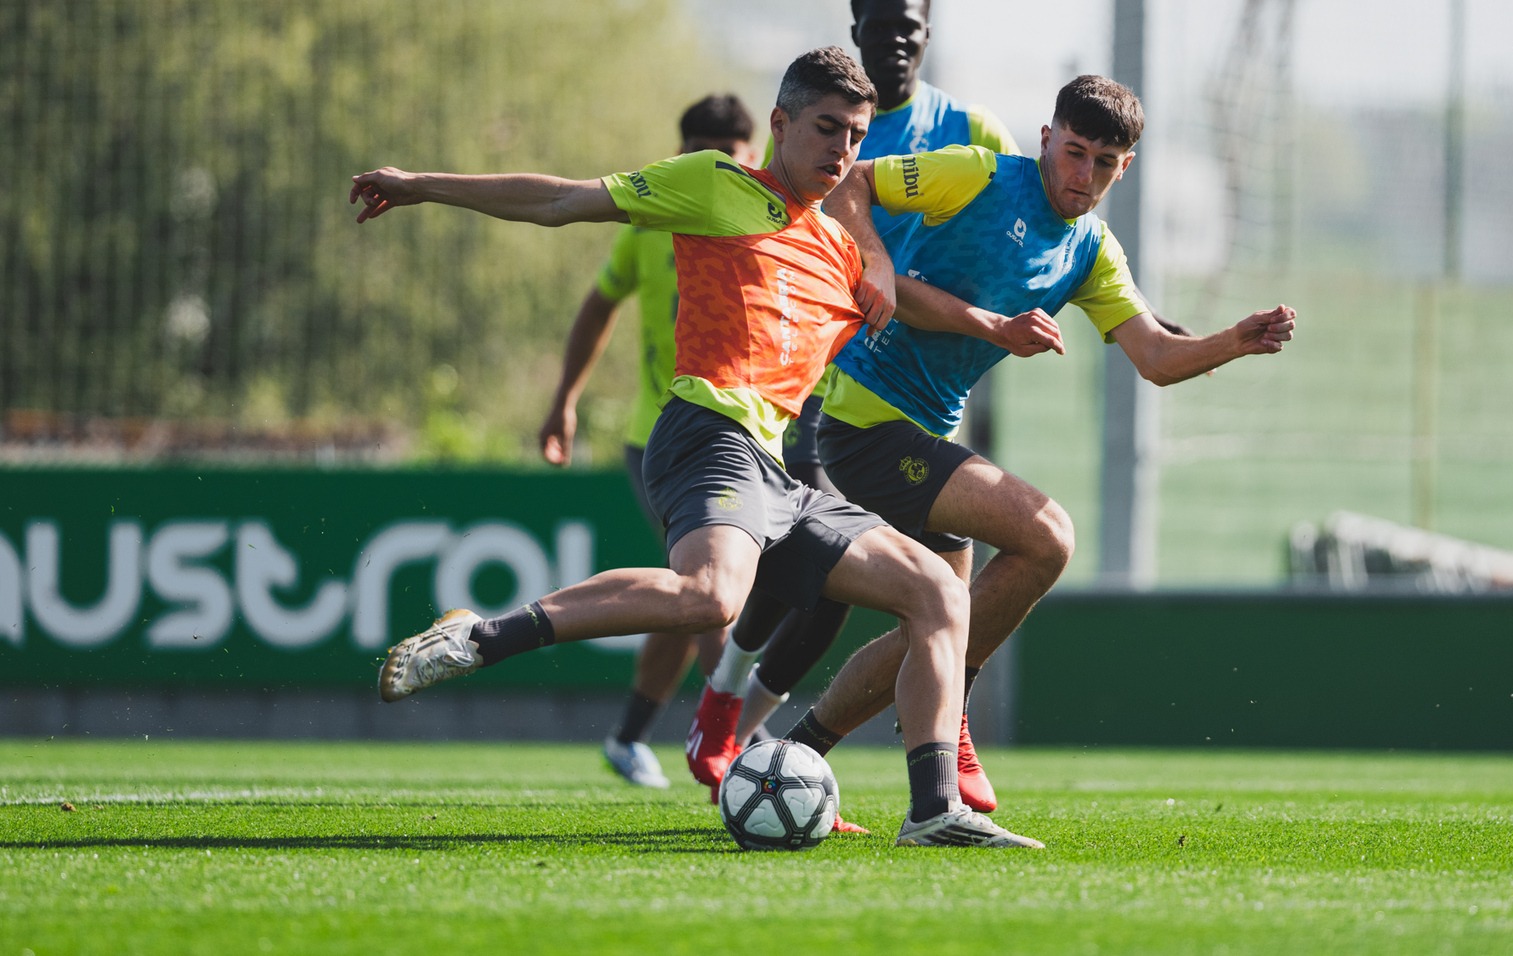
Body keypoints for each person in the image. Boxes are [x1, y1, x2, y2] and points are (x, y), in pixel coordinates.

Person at [352, 46, 1043, 848]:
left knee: (936, 591)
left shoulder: (843, 251)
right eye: (826, 129)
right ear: (779, 124)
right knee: (713, 597)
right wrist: (420, 185)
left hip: (779, 469)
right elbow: (561, 201)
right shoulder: (717, 186)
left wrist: (986, 321)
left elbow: (912, 301)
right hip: (706, 432)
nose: (842, 151)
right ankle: (480, 637)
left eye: (855, 136)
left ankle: (931, 812)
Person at [774, 75, 1297, 794]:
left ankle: (791, 754)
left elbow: (1155, 357)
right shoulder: (977, 173)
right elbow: (851, 186)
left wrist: (1232, 341)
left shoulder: (1092, 251)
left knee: (937, 625)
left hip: (922, 431)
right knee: (1046, 533)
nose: (1083, 177)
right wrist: (879, 261)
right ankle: (946, 720)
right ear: (1047, 139)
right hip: (866, 420)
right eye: (1074, 152)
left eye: (1104, 163)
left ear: (1126, 168)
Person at [685, 0, 1022, 816]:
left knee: (906, 583)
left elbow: (1030, 215)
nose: (896, 40)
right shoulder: (821, 122)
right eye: (882, 26)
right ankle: (730, 707)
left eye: (911, 27)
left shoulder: (970, 127)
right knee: (818, 569)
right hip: (822, 378)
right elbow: (793, 224)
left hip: (924, 387)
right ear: (857, 28)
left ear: (928, 35)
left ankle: (903, 727)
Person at [536, 94, 760, 789]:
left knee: (689, 592)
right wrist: (564, 400)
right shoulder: (649, 222)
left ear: (753, 153)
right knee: (713, 591)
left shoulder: (772, 224)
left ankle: (630, 735)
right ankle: (746, 745)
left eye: (731, 151)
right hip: (661, 436)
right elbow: (599, 304)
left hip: (746, 438)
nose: (718, 163)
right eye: (702, 151)